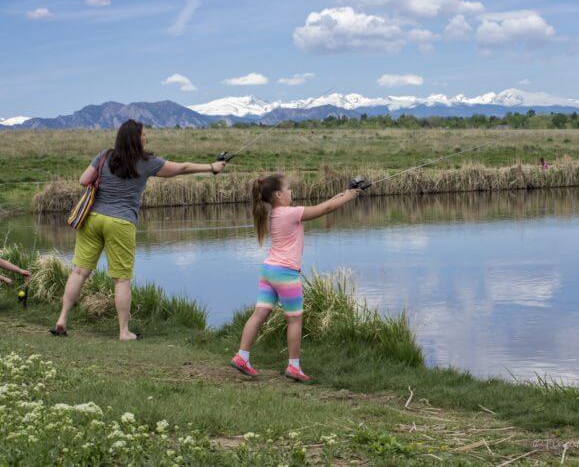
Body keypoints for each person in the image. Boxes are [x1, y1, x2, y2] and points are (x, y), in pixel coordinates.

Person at [51, 119, 226, 340]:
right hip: (121, 222)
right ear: (136, 138)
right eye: (144, 134)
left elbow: (83, 180)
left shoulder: (104, 155)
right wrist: (212, 167)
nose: (146, 137)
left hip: (93, 218)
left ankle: (62, 319)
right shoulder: (148, 163)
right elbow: (182, 168)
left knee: (79, 272)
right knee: (121, 280)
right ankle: (124, 332)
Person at [230, 174, 360, 382]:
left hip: (269, 271)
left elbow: (324, 204)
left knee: (258, 315)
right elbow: (324, 209)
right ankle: (294, 366)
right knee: (295, 320)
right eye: (289, 189)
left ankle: (241, 356)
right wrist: (348, 198)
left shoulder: (274, 213)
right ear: (280, 194)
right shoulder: (290, 213)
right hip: (286, 274)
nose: (292, 193)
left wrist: (345, 193)